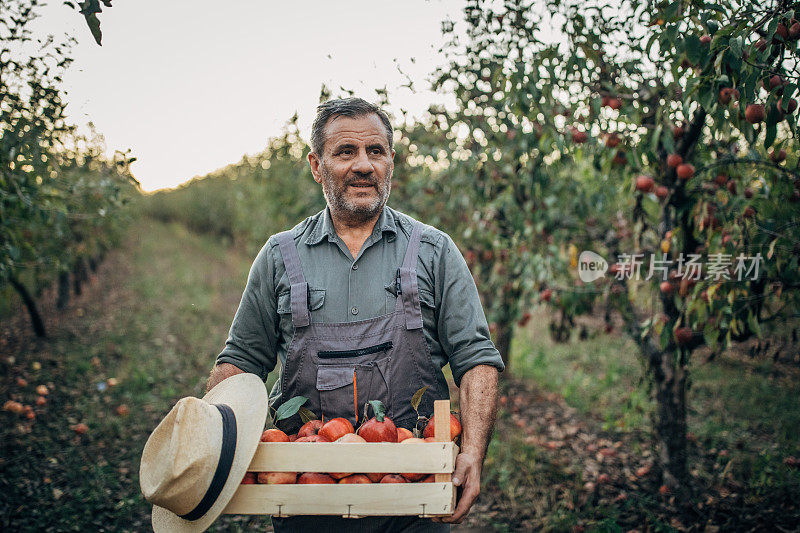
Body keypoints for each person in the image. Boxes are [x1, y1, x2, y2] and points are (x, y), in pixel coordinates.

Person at [205, 97, 504, 532]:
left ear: (391, 164)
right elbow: (240, 363)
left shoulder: (435, 252)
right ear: (316, 165)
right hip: (306, 494)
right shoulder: (279, 257)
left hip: (413, 496)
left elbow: (477, 360)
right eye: (346, 152)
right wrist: (207, 445)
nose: (363, 165)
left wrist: (473, 453)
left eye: (375, 151)